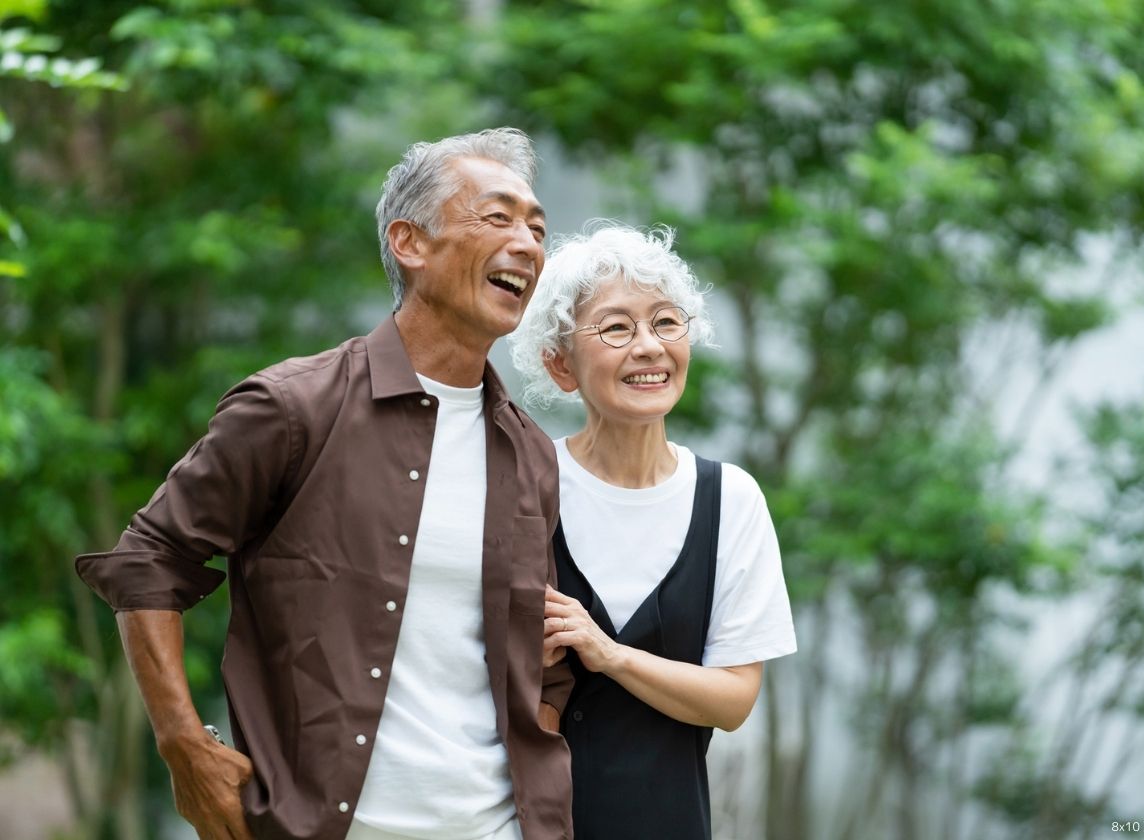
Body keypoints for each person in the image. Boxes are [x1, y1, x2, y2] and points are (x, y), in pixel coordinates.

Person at [75, 128, 574, 840]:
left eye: (536, 227)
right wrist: (184, 745)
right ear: (411, 243)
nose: (527, 244)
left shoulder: (528, 453)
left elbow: (542, 655)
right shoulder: (292, 408)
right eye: (497, 218)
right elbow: (148, 560)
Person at [509, 223, 796, 840]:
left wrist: (608, 655)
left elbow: (733, 700)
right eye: (616, 328)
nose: (648, 347)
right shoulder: (525, 484)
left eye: (666, 323)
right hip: (526, 825)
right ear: (560, 364)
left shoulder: (730, 499)